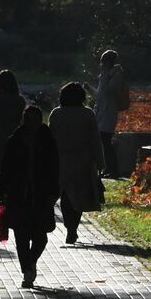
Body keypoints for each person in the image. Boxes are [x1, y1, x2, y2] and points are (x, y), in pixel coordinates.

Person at [0, 106, 59, 289]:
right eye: (27, 119)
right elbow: (6, 167)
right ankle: (27, 272)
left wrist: (53, 192)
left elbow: (54, 169)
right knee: (21, 236)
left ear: (40, 121)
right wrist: (1, 189)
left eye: (34, 119)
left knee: (41, 237)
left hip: (40, 194)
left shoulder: (48, 141)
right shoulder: (14, 140)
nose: (30, 123)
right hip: (18, 195)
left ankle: (30, 262)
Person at [48, 82, 105, 245]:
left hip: (61, 160)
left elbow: (50, 138)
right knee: (79, 196)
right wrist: (100, 161)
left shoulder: (57, 114)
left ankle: (69, 228)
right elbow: (95, 139)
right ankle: (72, 228)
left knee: (65, 195)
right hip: (83, 161)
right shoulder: (87, 114)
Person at [93, 49, 122, 178]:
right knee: (104, 141)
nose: (102, 64)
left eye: (103, 61)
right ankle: (109, 169)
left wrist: (105, 75)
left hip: (109, 112)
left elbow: (108, 90)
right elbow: (99, 95)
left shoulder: (115, 74)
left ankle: (113, 169)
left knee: (106, 140)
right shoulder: (105, 75)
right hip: (101, 113)